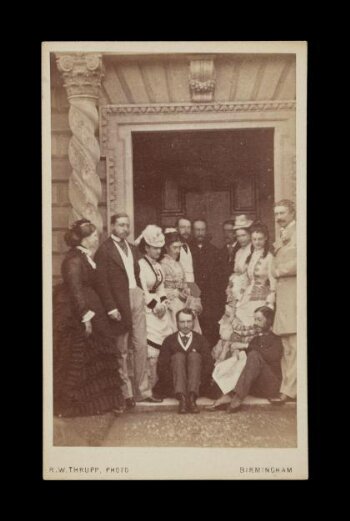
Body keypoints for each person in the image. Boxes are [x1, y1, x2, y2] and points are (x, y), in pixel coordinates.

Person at [53, 219, 124, 417]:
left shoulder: (84, 257)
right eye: (93, 235)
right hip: (81, 314)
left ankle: (101, 403)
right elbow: (75, 291)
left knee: (97, 355)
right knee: (82, 356)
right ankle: (74, 405)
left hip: (95, 310)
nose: (96, 238)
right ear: (84, 239)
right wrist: (85, 317)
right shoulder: (74, 260)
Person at [95, 212, 159, 407]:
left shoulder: (132, 248)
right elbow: (102, 283)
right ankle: (126, 394)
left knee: (140, 345)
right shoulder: (104, 250)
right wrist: (111, 307)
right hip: (118, 302)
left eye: (127, 225)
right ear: (112, 226)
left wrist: (141, 292)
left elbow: (138, 273)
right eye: (121, 225)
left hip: (136, 297)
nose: (125, 228)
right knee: (122, 349)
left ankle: (144, 391)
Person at [208, 306, 283, 413]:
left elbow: (272, 356)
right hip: (255, 387)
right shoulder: (256, 338)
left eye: (259, 319)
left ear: (269, 321)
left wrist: (246, 345)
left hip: (270, 386)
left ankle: (236, 397)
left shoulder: (276, 338)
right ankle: (229, 394)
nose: (256, 323)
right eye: (255, 319)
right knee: (244, 358)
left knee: (253, 355)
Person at [154, 309, 213, 414]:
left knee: (194, 356)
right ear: (177, 323)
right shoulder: (169, 340)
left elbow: (208, 365)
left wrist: (198, 383)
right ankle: (182, 399)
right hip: (175, 385)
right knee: (178, 356)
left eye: (189, 321)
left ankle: (191, 398)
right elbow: (162, 367)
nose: (186, 325)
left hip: (196, 384)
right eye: (182, 322)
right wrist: (175, 383)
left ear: (193, 322)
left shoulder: (201, 340)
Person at [212, 214, 253, 362]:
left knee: (241, 327)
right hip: (234, 292)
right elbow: (235, 272)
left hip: (246, 294)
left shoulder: (253, 251)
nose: (241, 238)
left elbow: (250, 276)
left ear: (250, 234)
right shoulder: (239, 251)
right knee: (228, 327)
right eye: (239, 235)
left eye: (244, 235)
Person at [137, 225, 172, 394]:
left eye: (160, 248)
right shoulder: (141, 265)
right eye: (154, 248)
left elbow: (161, 287)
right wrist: (154, 305)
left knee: (165, 345)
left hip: (160, 310)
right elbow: (141, 290)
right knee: (152, 349)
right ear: (146, 247)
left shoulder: (158, 266)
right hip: (147, 310)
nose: (158, 251)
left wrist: (164, 302)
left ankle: (163, 384)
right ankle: (150, 387)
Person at [269, 200, 297, 405]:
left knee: (295, 346)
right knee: (287, 346)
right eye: (276, 213)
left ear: (293, 213)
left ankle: (289, 391)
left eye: (283, 213)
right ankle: (288, 390)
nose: (279, 217)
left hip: (295, 295)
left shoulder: (299, 232)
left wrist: (278, 271)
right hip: (284, 296)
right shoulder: (283, 234)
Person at [160, 228, 202, 334]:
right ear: (166, 247)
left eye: (179, 248)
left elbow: (183, 283)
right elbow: (160, 288)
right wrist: (175, 293)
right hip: (170, 302)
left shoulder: (178, 264)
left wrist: (185, 290)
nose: (178, 251)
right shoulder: (162, 264)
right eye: (174, 248)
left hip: (182, 301)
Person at [190, 219, 220, 346]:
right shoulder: (187, 250)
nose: (200, 233)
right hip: (193, 294)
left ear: (206, 231)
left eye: (202, 230)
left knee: (209, 328)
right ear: (193, 231)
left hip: (210, 297)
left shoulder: (214, 251)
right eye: (197, 230)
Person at [216, 219, 241, 317]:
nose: (227, 234)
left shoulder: (242, 250)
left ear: (235, 233)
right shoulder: (220, 252)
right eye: (225, 231)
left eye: (230, 231)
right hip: (223, 293)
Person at [176, 217, 195, 283]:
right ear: (177, 229)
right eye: (183, 227)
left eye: (188, 227)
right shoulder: (172, 248)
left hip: (191, 284)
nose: (186, 230)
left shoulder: (190, 246)